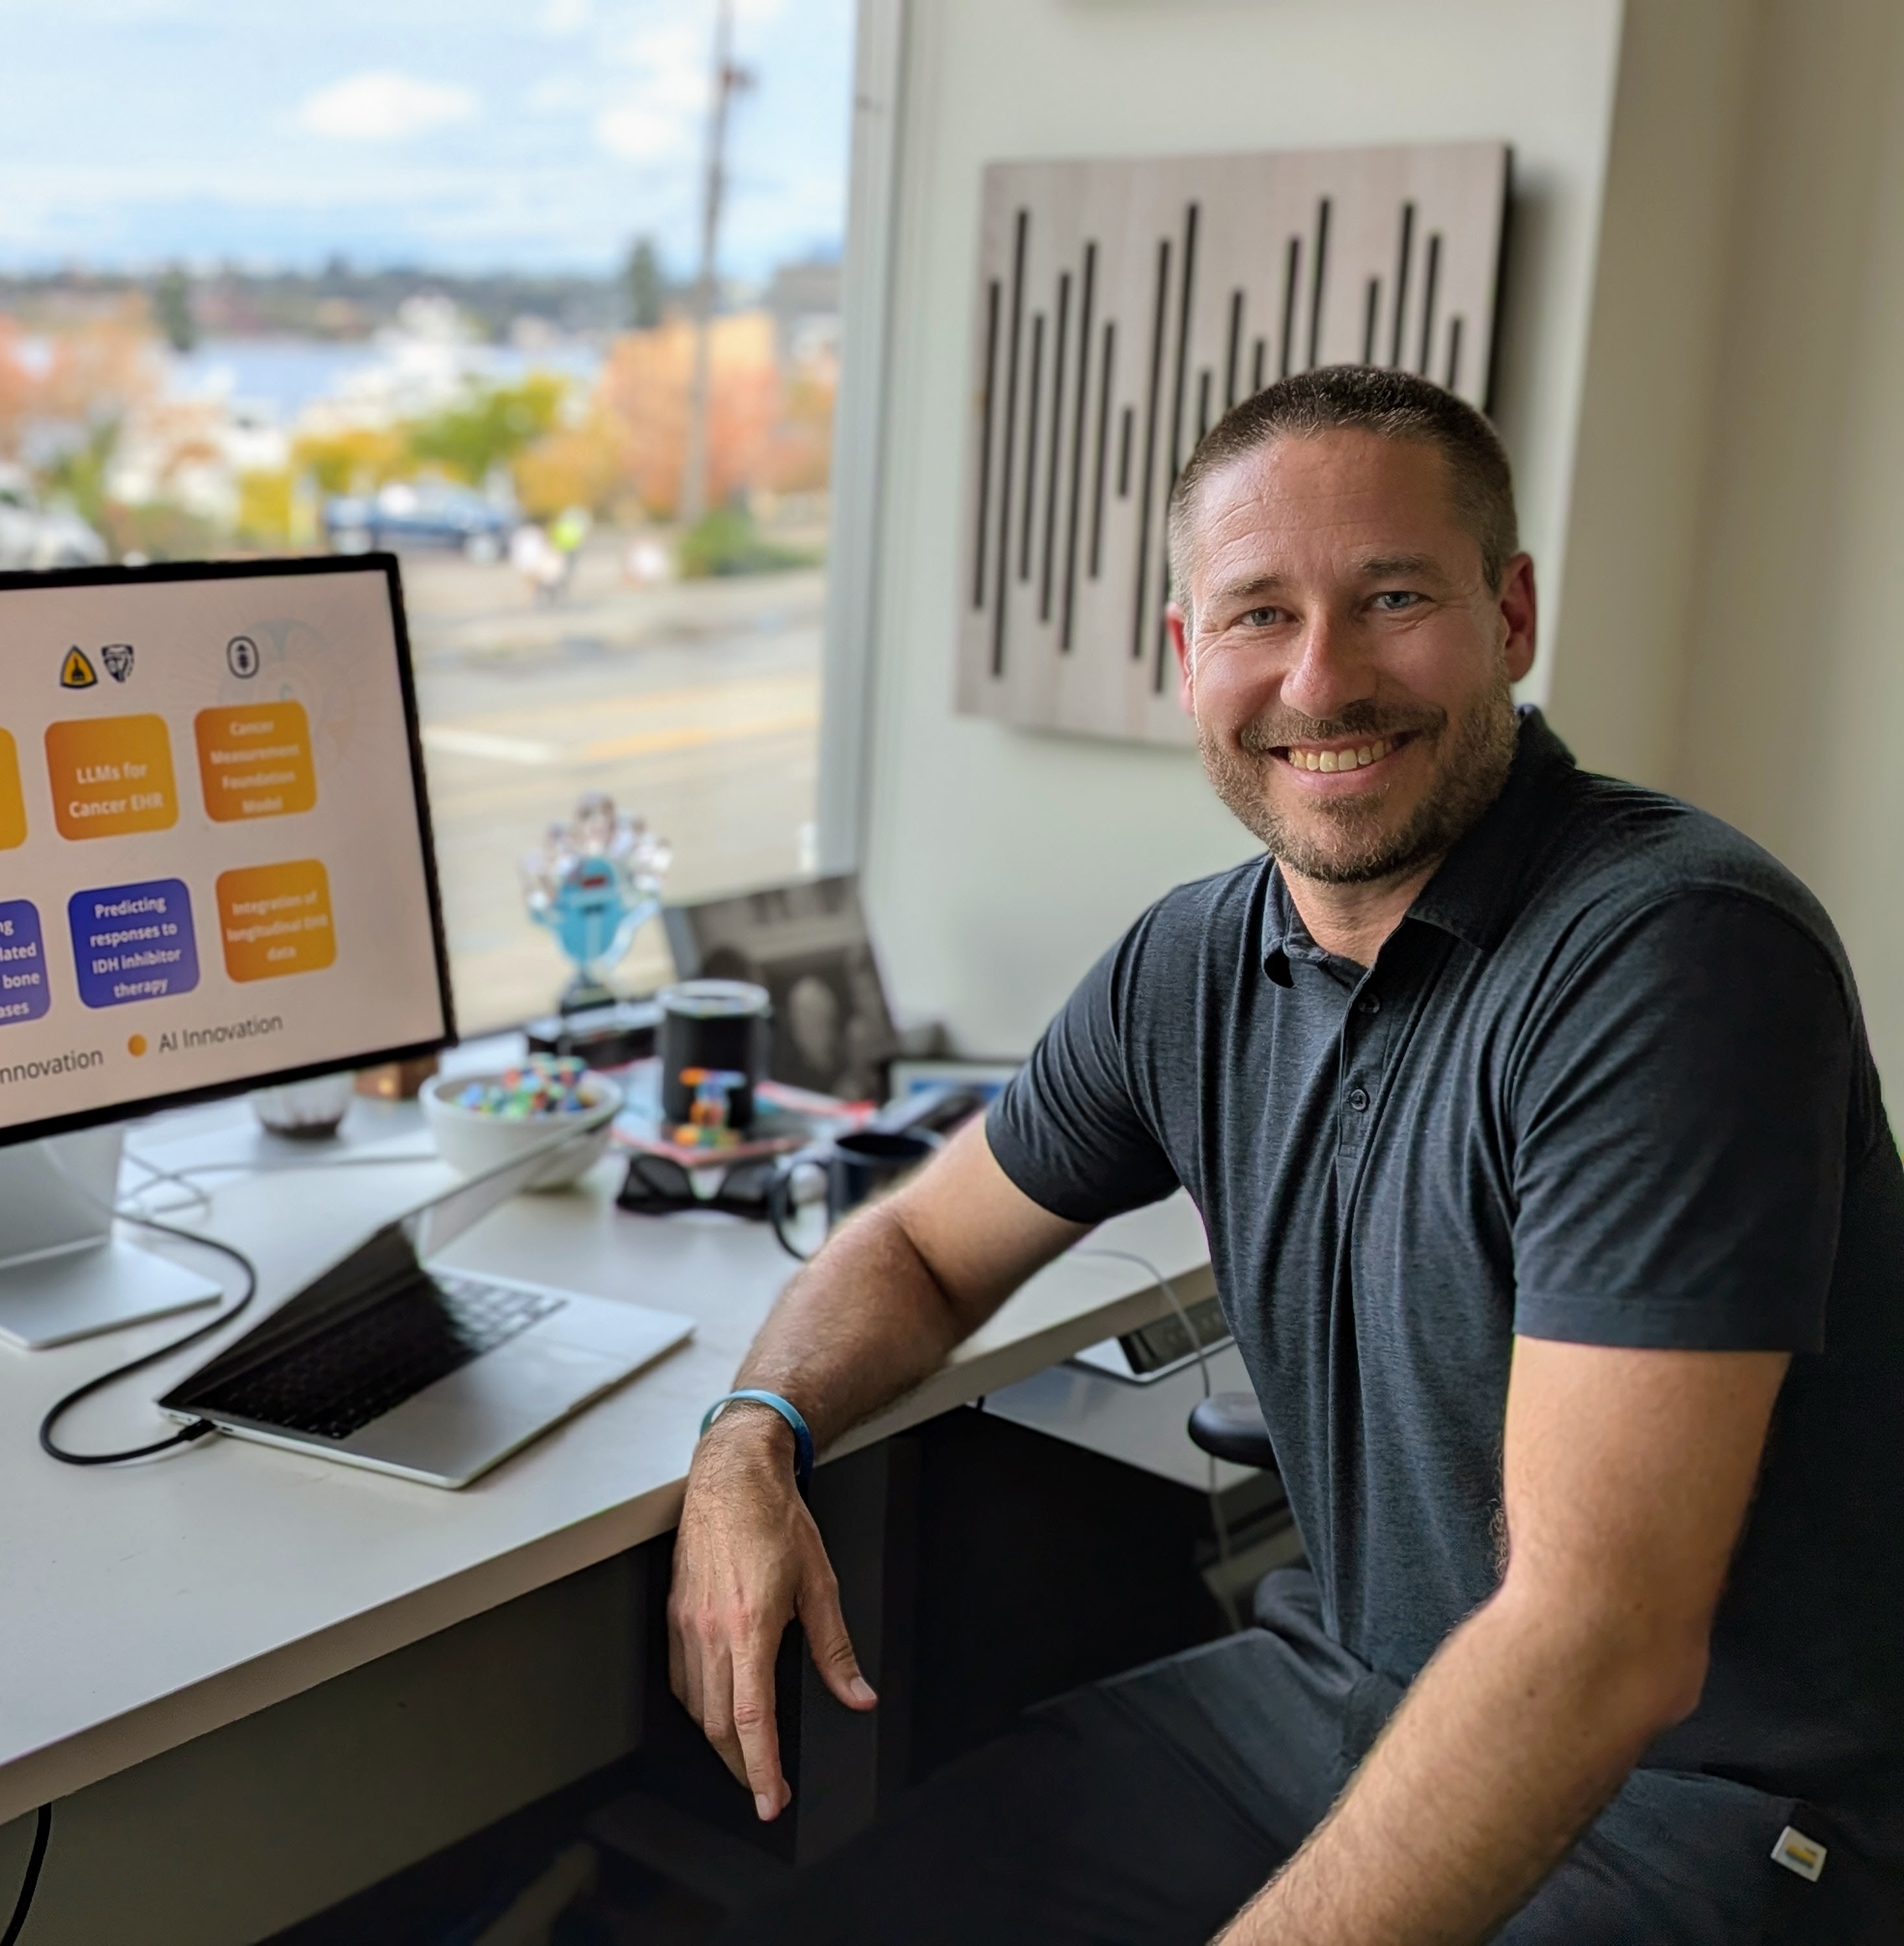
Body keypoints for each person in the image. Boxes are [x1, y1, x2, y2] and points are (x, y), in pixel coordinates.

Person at [669, 365, 1904, 1942]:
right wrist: (750, 1438)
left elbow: (1601, 1644)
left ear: (1509, 617)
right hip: (1337, 1695)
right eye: (1257, 614)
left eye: (1392, 598)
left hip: (1701, 1803)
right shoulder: (1188, 966)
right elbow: (915, 1244)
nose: (1321, 681)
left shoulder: (1670, 955)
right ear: (1187, 654)